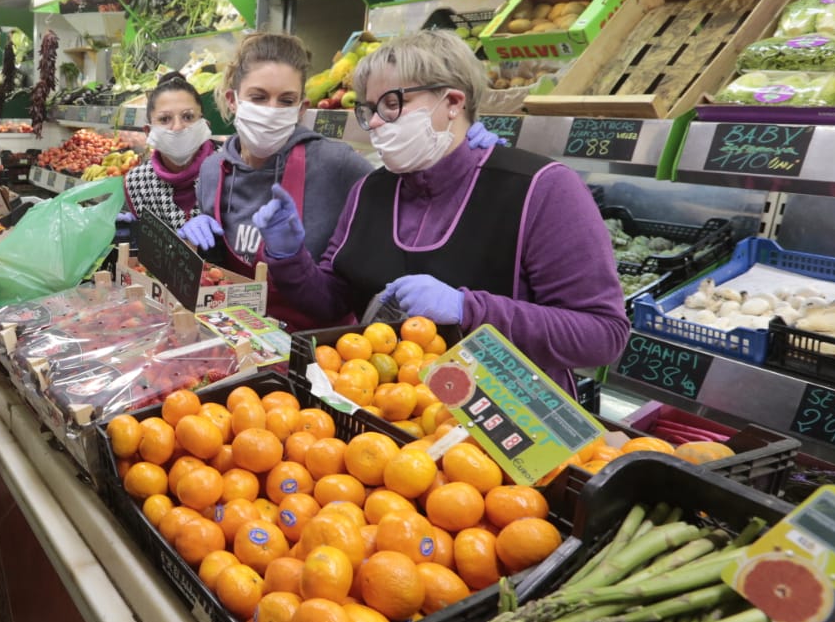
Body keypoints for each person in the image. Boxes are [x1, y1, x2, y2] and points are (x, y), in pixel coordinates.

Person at [261, 29, 629, 394]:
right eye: (370, 109)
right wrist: (289, 256)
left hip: (509, 420)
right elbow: (335, 301)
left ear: (453, 102)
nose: (373, 122)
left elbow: (602, 335)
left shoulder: (542, 189)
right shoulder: (369, 191)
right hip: (390, 408)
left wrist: (467, 308)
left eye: (391, 104)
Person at [176, 33, 371, 330]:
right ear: (233, 100)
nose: (271, 110)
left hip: (317, 352)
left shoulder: (337, 164)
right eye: (258, 97)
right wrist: (192, 245)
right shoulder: (213, 169)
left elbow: (403, 196)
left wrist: (462, 155)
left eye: (286, 101)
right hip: (239, 339)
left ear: (301, 109)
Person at [120, 71, 216, 229]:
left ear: (205, 124)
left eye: (188, 117)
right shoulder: (138, 183)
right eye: (165, 119)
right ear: (148, 131)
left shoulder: (229, 171)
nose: (177, 127)